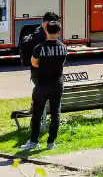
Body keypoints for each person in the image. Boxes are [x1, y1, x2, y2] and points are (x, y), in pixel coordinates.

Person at [21, 20, 68, 151]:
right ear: (58, 33)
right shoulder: (63, 47)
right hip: (57, 85)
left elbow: (34, 63)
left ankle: (33, 141)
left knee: (37, 113)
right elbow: (61, 63)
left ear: (46, 32)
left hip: (42, 84)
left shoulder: (39, 48)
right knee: (55, 113)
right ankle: (51, 142)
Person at [19, 12, 61, 83]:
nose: (55, 26)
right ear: (46, 23)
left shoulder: (40, 30)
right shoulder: (41, 36)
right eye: (54, 23)